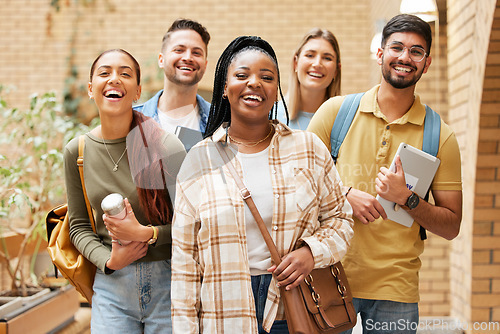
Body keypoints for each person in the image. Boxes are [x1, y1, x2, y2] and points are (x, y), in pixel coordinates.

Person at [170, 36, 353, 334]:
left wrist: (311, 252)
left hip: (293, 308)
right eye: (242, 76)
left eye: (266, 77)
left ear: (276, 91)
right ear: (225, 88)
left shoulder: (309, 149)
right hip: (223, 313)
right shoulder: (198, 161)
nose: (254, 83)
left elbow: (341, 220)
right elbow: (184, 262)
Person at [307, 14, 463, 334]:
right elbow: (292, 181)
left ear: (427, 62)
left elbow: (451, 226)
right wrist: (345, 195)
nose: (405, 57)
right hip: (330, 274)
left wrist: (407, 198)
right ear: (380, 53)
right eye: (397, 47)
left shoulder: (440, 136)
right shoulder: (334, 113)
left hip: (397, 290)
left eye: (416, 51)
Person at [65, 49, 186, 333]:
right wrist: (109, 260)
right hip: (111, 287)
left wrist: (146, 234)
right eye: (104, 73)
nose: (114, 79)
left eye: (125, 74)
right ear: (90, 88)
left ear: (137, 91)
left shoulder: (167, 147)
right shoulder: (77, 152)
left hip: (168, 283)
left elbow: (192, 225)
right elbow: (79, 226)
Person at [134, 18, 211, 136]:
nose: (188, 58)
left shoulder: (221, 122)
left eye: (196, 53)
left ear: (205, 65)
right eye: (179, 50)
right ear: (161, 60)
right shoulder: (132, 122)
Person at [276, 28, 341, 130]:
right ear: (295, 63)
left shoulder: (346, 122)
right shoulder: (270, 116)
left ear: (336, 70)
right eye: (310, 55)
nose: (317, 64)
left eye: (327, 58)